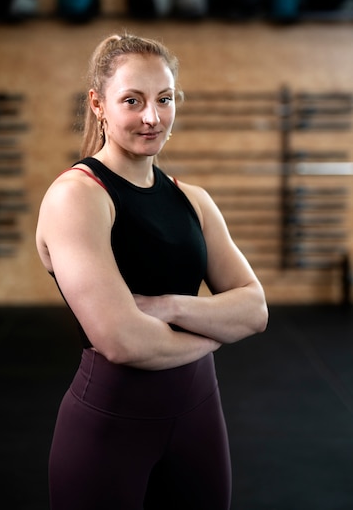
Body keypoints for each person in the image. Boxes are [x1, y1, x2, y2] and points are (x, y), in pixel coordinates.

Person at [36, 33, 268, 510]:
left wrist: (168, 307)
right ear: (98, 105)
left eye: (164, 99)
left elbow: (255, 308)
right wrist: (217, 330)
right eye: (132, 101)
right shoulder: (78, 197)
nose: (152, 117)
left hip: (201, 419)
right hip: (110, 427)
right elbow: (123, 342)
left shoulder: (193, 200)